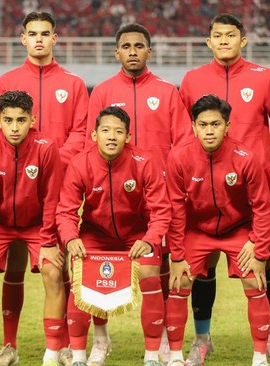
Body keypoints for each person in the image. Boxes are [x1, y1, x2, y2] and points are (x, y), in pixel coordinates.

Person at [178, 13, 270, 366]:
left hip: (251, 194)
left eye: (231, 35)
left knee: (263, 264)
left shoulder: (264, 78)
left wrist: (269, 175)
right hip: (203, 197)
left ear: (244, 40)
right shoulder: (192, 79)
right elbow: (183, 134)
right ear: (208, 42)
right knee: (201, 270)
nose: (224, 41)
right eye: (217, 36)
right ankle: (202, 338)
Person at [85, 22, 193, 365]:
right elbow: (92, 145)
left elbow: (183, 144)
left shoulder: (167, 91)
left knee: (157, 266)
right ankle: (100, 339)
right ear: (117, 52)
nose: (133, 51)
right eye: (126, 46)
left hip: (156, 197)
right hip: (112, 196)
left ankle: (159, 337)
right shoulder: (101, 92)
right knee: (98, 268)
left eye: (139, 46)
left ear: (149, 51)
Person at [0, 11, 88, 365]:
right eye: (32, 33)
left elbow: (81, 132)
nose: (38, 39)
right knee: (14, 266)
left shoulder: (74, 83)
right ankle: (9, 345)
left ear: (55, 39)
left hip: (58, 188)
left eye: (44, 34)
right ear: (22, 39)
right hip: (13, 190)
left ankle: (61, 344)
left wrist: (50, 161)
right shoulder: (6, 81)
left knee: (57, 266)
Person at [57, 106, 171, 366]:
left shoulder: (144, 162)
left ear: (128, 137)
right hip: (95, 234)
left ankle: (152, 355)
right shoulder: (80, 163)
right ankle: (83, 353)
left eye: (118, 131)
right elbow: (65, 211)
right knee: (82, 280)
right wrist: (70, 238)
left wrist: (150, 239)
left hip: (137, 234)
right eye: (105, 130)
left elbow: (161, 210)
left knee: (149, 275)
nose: (111, 136)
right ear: (94, 135)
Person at [166, 95, 270, 366]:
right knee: (180, 282)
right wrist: (177, 256)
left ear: (227, 125)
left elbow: (262, 206)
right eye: (203, 124)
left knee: (254, 280)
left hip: (237, 229)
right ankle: (182, 353)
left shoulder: (245, 158)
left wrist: (259, 248)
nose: (209, 130)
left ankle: (260, 355)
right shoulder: (179, 157)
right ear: (194, 126)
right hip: (198, 230)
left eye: (216, 124)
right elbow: (176, 212)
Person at [0, 90, 66, 366]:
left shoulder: (46, 148)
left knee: (52, 270)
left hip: (37, 225)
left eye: (21, 120)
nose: (15, 128)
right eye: (8, 120)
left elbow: (52, 198)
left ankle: (51, 354)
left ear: (32, 120)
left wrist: (48, 240)